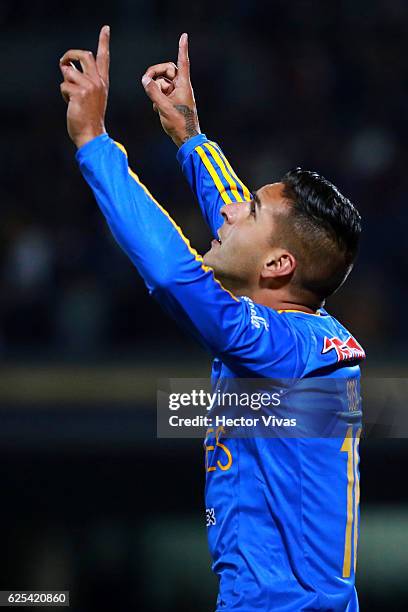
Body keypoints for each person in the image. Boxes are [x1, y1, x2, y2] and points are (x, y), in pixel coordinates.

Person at [60, 26, 365, 611]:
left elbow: (180, 278)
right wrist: (190, 137)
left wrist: (95, 141)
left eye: (247, 208)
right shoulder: (296, 333)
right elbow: (248, 245)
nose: (228, 206)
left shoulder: (284, 354)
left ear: (280, 264)